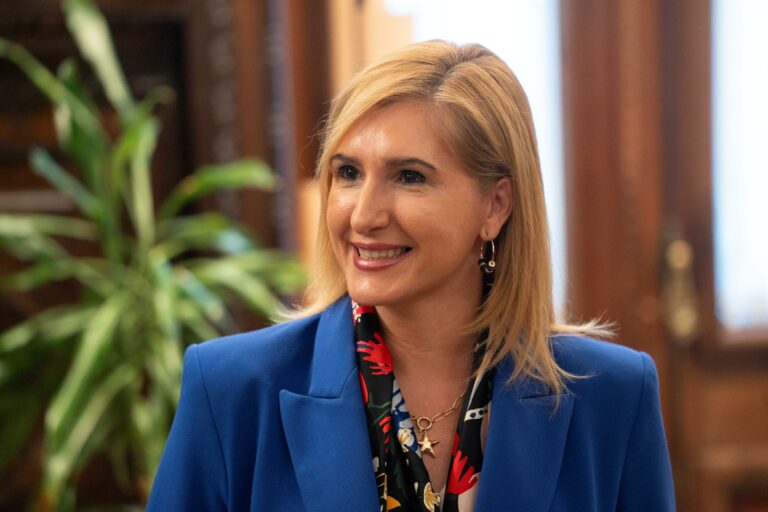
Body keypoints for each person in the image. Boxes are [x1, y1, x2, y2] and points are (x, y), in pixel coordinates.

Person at [147, 40, 675, 512]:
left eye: (408, 176)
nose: (363, 215)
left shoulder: (614, 396)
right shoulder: (231, 389)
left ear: (495, 205)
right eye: (348, 173)